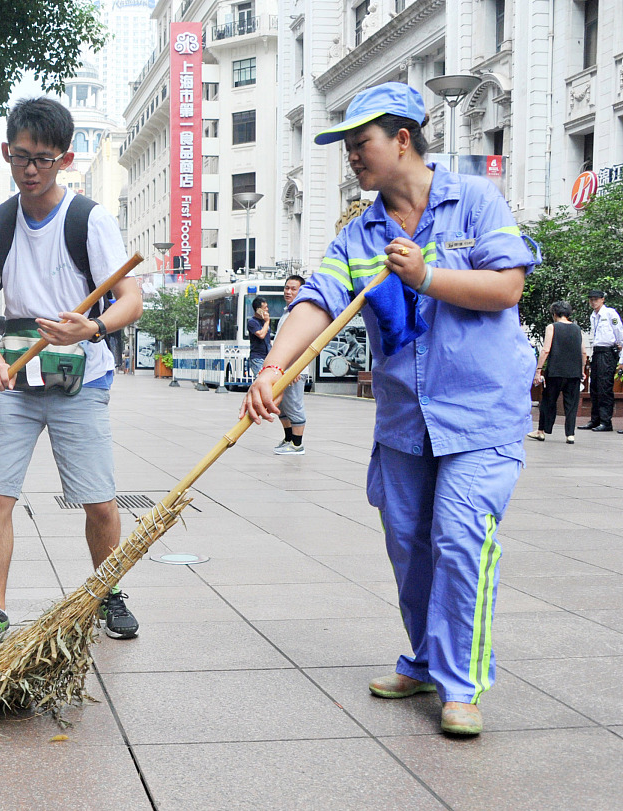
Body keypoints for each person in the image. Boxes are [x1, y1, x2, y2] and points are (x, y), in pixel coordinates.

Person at [243, 82, 538, 736]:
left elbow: (508, 284)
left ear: (402, 137)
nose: (352, 156)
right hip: (406, 421)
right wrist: (273, 366)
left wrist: (427, 277)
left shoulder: (476, 200)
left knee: (460, 541)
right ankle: (427, 657)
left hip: (481, 416)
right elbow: (317, 301)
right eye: (347, 146)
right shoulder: (361, 234)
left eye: (361, 142)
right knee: (410, 548)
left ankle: (461, 683)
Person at [0, 97, 143, 651]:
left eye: (42, 158)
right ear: (5, 153)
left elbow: (130, 297)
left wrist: (93, 328)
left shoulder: (89, 219)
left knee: (98, 499)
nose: (30, 169)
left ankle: (109, 591)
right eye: (20, 157)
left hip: (80, 378)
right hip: (15, 376)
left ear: (65, 159)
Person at [528, 301, 587, 444]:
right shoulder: (577, 329)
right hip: (573, 373)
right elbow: (584, 352)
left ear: (555, 314)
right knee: (571, 404)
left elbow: (546, 350)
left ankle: (542, 431)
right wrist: (582, 370)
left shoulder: (552, 327)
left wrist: (538, 370)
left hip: (555, 371)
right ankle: (570, 435)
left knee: (548, 401)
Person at [579, 291, 623, 432]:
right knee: (595, 387)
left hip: (607, 352)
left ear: (603, 300)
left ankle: (605, 421)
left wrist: (620, 350)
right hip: (597, 352)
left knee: (604, 387)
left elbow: (619, 332)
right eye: (591, 300)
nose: (593, 302)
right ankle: (595, 419)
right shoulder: (593, 316)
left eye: (596, 299)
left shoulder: (610, 313)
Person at [274, 275, 308, 455]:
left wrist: (297, 367)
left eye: (293, 288)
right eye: (287, 288)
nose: (288, 291)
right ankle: (288, 438)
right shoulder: (288, 311)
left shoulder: (301, 312)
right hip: (283, 368)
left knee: (294, 405)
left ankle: (297, 445)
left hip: (294, 369)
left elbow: (303, 342)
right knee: (282, 406)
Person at [247, 296, 271, 380]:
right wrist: (267, 321)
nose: (267, 309)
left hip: (267, 356)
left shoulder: (264, 321)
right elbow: (261, 335)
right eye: (264, 308)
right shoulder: (252, 322)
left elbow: (268, 339)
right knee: (261, 380)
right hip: (257, 357)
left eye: (267, 307)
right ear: (258, 310)